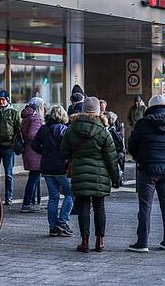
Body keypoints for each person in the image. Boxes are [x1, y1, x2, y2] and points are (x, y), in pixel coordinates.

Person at [61, 97, 120, 253]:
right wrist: (115, 177)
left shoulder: (72, 129)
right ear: (98, 111)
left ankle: (84, 241)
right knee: (99, 207)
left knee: (83, 207)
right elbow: (111, 157)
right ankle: (100, 241)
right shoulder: (103, 130)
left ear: (83, 109)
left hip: (80, 173)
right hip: (100, 175)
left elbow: (64, 151)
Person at [127, 94, 165, 253]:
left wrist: (140, 158)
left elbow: (132, 146)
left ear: (150, 108)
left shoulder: (142, 124)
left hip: (147, 169)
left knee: (145, 206)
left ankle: (142, 243)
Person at [31, 105, 73, 237]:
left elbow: (34, 145)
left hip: (46, 166)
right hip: (60, 166)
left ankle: (53, 227)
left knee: (53, 197)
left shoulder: (43, 128)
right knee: (70, 194)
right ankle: (62, 222)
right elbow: (68, 148)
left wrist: (44, 152)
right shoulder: (63, 129)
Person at [21, 97, 46, 213]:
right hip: (34, 152)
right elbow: (33, 134)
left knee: (34, 177)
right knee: (34, 177)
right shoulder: (35, 118)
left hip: (29, 150)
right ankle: (27, 203)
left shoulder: (27, 116)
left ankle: (31, 202)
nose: (43, 108)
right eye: (42, 106)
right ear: (38, 107)